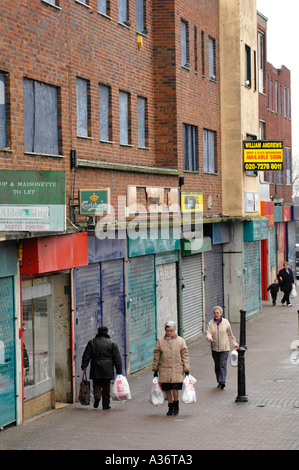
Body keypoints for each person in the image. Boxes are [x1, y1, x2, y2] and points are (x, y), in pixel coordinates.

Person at [152, 321, 190, 416]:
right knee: (167, 388)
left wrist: (186, 369)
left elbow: (185, 355)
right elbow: (156, 355)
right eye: (167, 331)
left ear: (174, 330)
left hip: (177, 368)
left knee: (175, 388)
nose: (169, 333)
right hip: (164, 369)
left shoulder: (180, 341)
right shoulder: (161, 341)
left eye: (171, 331)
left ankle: (176, 405)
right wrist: (155, 369)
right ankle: (170, 406)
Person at [81, 326, 122, 410]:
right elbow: (117, 358)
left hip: (95, 366)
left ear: (98, 332)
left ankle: (97, 396)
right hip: (108, 368)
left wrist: (84, 365)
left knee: (96, 384)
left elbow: (86, 355)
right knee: (106, 386)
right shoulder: (112, 343)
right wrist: (119, 371)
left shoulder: (92, 342)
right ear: (107, 332)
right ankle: (106, 405)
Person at [206, 306, 239, 390]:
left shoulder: (226, 322)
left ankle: (222, 381)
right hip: (214, 348)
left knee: (222, 364)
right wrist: (209, 338)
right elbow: (208, 333)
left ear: (221, 313)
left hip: (224, 348)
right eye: (214, 313)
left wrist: (234, 344)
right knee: (217, 365)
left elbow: (230, 335)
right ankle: (219, 380)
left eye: (217, 313)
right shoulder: (210, 323)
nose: (216, 314)